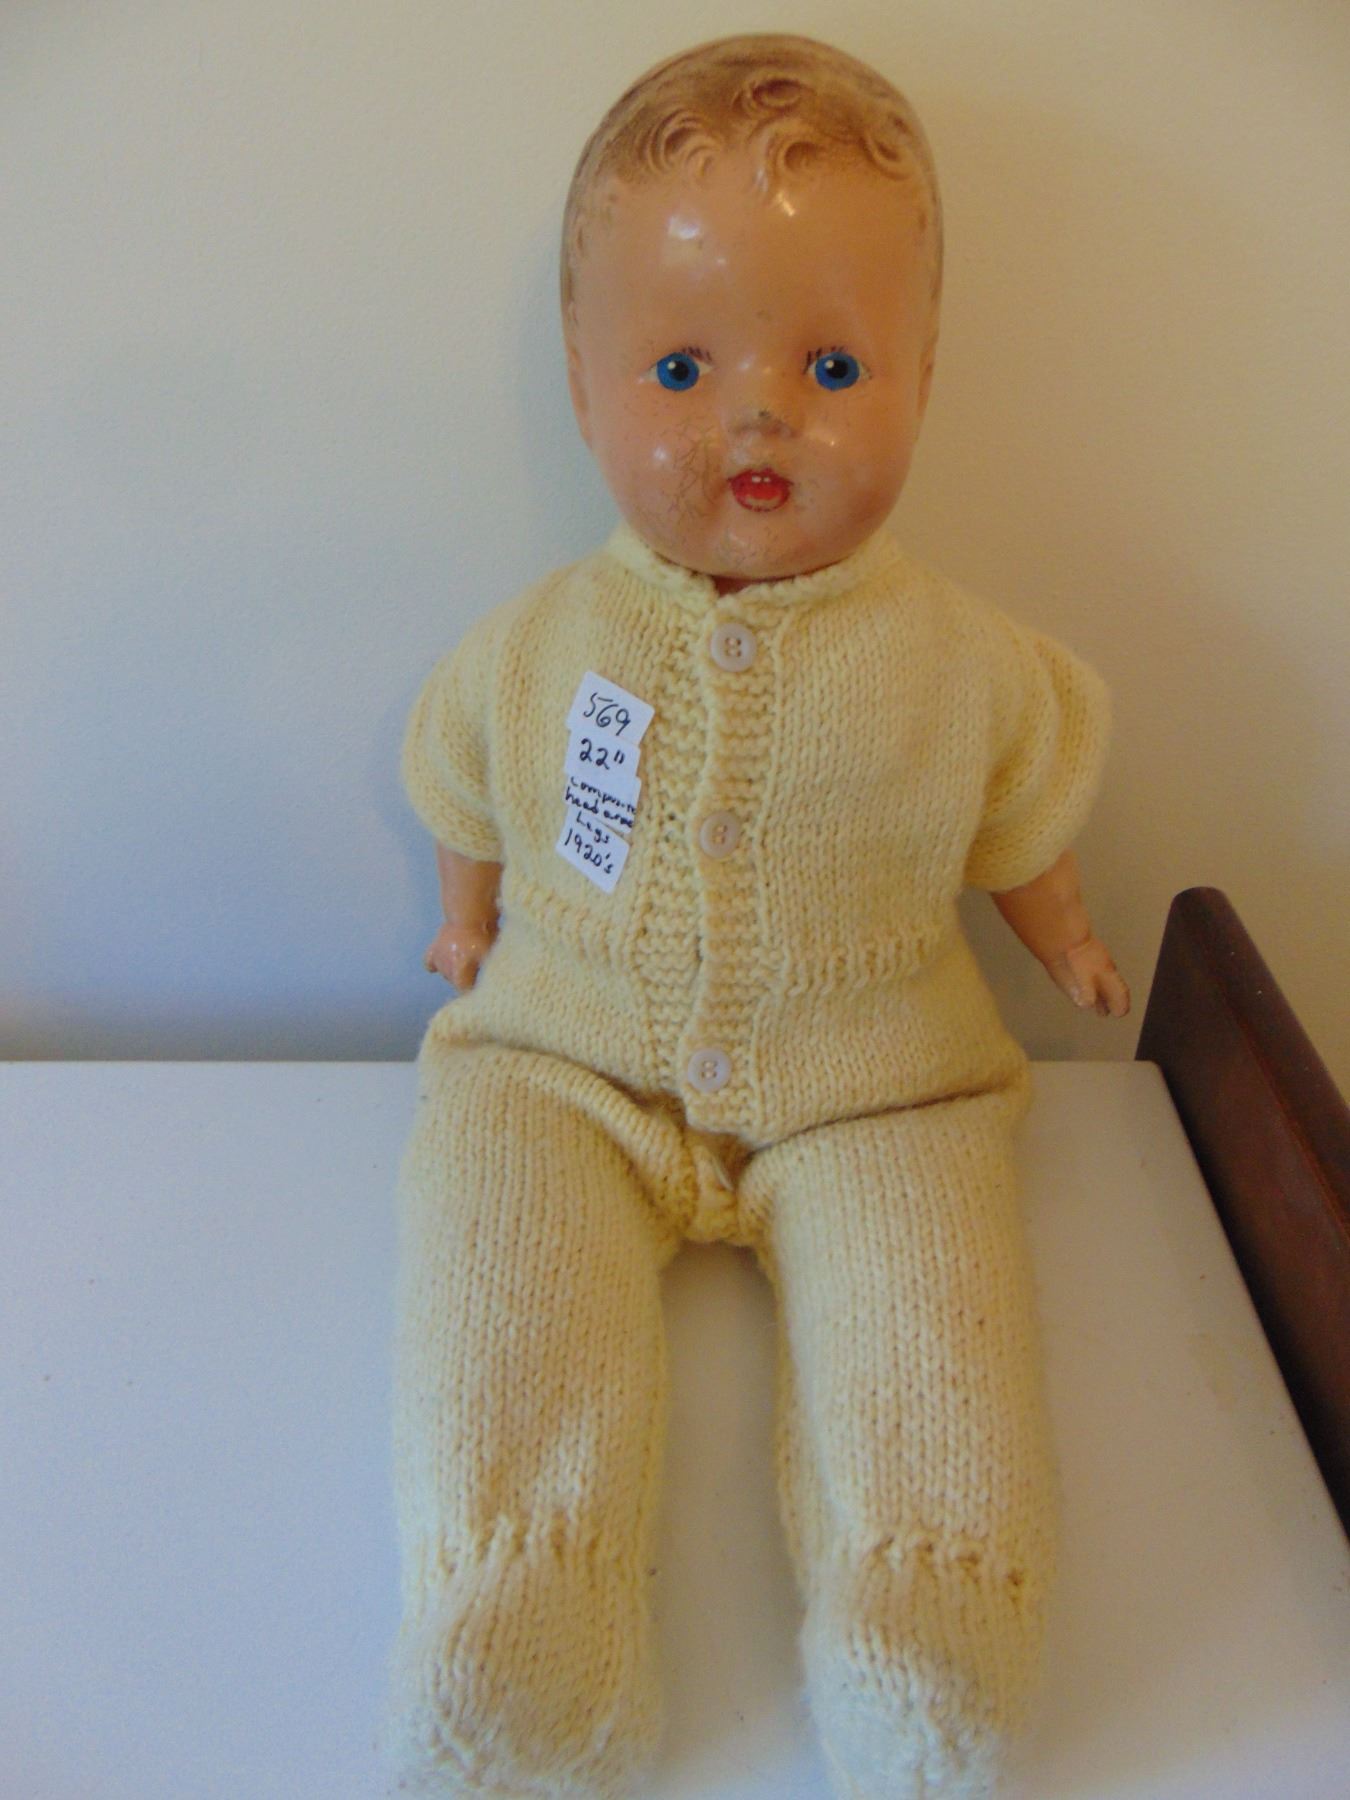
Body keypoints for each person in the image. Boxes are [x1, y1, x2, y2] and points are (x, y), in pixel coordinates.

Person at [385, 33, 1129, 1800]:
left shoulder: (965, 663)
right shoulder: (537, 646)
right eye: (677, 366)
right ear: (585, 393)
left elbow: (1020, 820)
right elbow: (464, 785)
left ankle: (926, 1603)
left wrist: (1065, 937)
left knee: (930, 1315)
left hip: (878, 1084)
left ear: (922, 377)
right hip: (564, 1065)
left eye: (832, 364)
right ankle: (515, 1606)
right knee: (500, 1271)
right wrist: (466, 925)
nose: (755, 414)